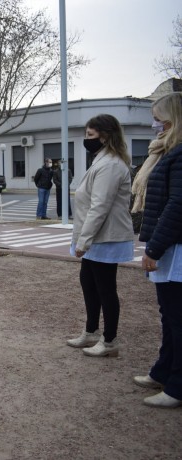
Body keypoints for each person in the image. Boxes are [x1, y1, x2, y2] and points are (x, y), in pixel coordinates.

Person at [67, 114, 134, 357]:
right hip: (97, 235)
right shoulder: (102, 161)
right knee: (89, 283)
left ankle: (109, 341)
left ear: (105, 137)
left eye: (90, 135)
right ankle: (92, 331)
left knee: (105, 288)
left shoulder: (111, 164)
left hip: (105, 237)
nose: (87, 140)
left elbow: (100, 206)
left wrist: (83, 241)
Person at [134, 92, 182, 409]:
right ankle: (163, 370)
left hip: (175, 248)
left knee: (178, 320)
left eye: (159, 117)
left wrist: (154, 246)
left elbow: (177, 205)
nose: (155, 124)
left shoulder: (179, 155)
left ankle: (178, 386)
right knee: (169, 317)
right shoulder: (170, 152)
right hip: (169, 246)